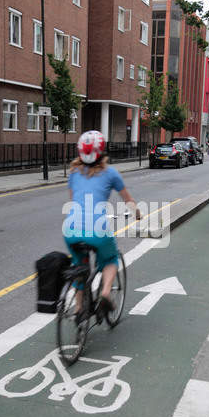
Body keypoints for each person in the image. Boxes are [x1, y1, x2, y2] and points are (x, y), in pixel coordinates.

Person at [63, 130, 141, 319]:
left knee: (79, 265)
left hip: (71, 230)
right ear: (102, 151)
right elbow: (127, 198)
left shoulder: (74, 172)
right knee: (110, 260)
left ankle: (78, 307)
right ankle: (106, 292)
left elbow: (73, 202)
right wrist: (137, 214)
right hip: (97, 231)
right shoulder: (110, 173)